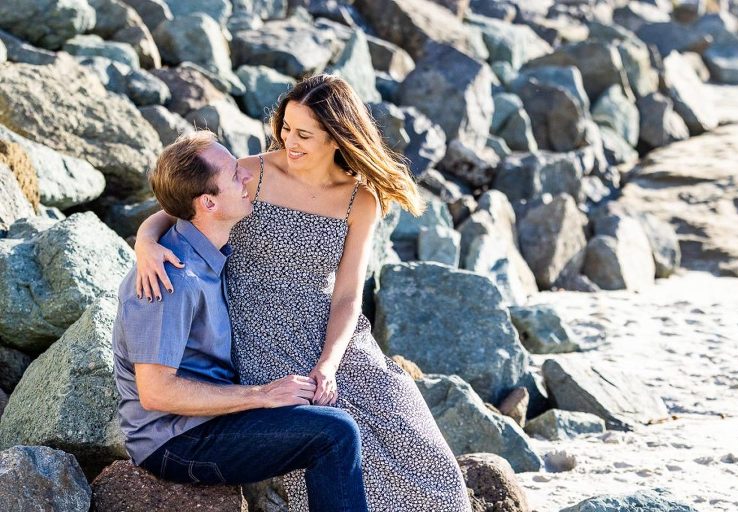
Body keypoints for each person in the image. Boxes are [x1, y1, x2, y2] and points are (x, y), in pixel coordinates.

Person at [135, 74, 471, 511]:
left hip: (332, 335)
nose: (288, 141)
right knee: (331, 440)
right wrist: (145, 243)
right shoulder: (251, 172)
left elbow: (349, 295)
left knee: (421, 452)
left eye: (304, 134)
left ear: (336, 136)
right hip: (257, 335)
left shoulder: (359, 200)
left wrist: (329, 365)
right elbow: (179, 206)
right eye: (286, 128)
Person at [112, 130, 369, 512]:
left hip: (205, 420)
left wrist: (144, 236)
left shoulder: (208, 251)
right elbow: (156, 393)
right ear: (209, 203)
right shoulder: (173, 278)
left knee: (340, 415)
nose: (247, 175)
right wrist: (262, 396)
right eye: (235, 174)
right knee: (335, 433)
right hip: (175, 441)